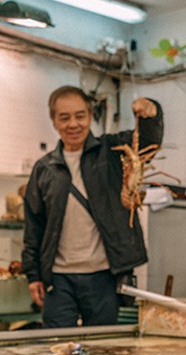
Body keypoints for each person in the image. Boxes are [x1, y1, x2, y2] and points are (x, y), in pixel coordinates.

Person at [22, 86, 163, 328]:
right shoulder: (44, 169)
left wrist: (151, 113)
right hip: (58, 279)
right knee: (57, 342)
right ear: (54, 121)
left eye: (80, 116)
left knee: (101, 344)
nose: (73, 124)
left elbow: (147, 143)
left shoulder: (112, 151)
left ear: (90, 116)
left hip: (104, 275)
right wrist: (33, 275)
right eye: (64, 118)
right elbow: (34, 225)